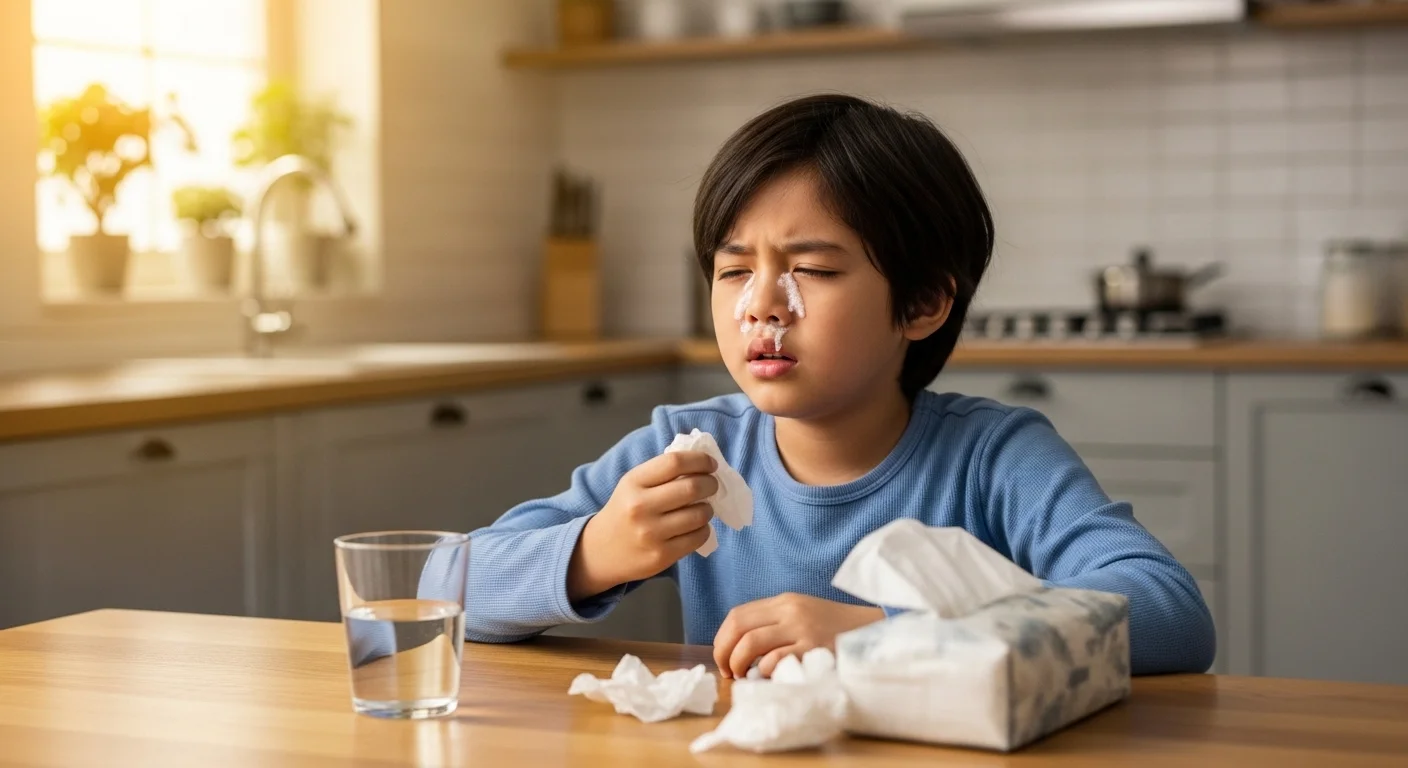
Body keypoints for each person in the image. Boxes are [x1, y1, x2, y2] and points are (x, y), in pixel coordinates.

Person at [464, 94, 1215, 677]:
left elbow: (1171, 613)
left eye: (813, 271)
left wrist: (887, 635)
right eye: (732, 271)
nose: (761, 303)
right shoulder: (687, 451)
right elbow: (444, 584)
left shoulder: (993, 457)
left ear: (922, 304)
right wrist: (597, 549)